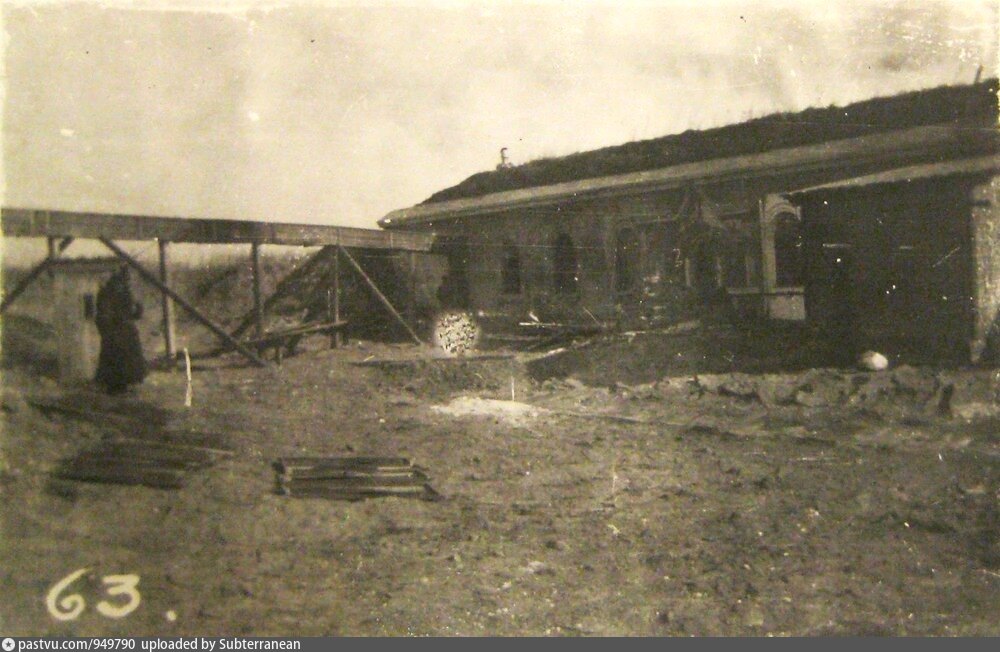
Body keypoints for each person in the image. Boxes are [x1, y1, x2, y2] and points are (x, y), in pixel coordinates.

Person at [95, 267, 147, 395]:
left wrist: (139, 308)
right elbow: (104, 314)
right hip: (117, 330)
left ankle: (122, 386)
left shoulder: (122, 292)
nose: (127, 282)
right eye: (126, 279)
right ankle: (116, 387)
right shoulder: (109, 293)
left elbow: (134, 314)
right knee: (117, 358)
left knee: (124, 359)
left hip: (123, 330)